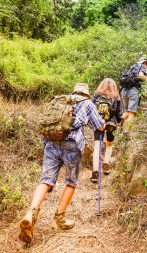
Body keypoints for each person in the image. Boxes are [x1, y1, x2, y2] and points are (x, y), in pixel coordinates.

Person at [19, 83, 105, 244]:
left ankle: (30, 213)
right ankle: (59, 219)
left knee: (46, 180)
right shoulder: (87, 103)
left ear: (74, 91)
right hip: (71, 145)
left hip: (51, 141)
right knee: (71, 181)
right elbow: (100, 126)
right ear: (86, 94)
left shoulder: (62, 100)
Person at [90, 78, 122, 183]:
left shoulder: (97, 94)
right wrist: (118, 122)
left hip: (98, 123)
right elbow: (118, 113)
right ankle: (106, 164)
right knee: (109, 145)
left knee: (97, 146)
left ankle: (95, 172)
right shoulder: (116, 96)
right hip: (111, 124)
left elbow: (90, 107)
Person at [120, 56, 147, 134]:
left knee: (126, 111)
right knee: (132, 113)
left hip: (124, 90)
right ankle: (126, 133)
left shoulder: (131, 67)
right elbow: (140, 75)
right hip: (133, 90)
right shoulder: (142, 66)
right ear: (145, 62)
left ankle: (117, 122)